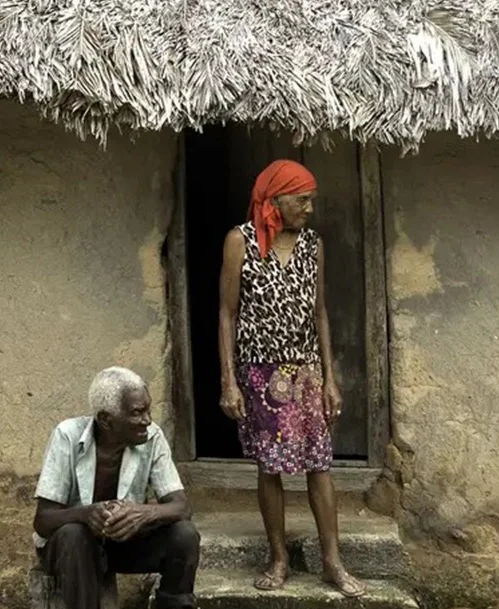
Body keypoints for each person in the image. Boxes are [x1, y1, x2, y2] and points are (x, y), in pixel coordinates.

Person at [217, 158, 365, 597]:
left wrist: (330, 377)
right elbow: (227, 313)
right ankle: (278, 558)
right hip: (260, 373)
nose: (309, 208)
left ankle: (332, 562)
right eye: (302, 199)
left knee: (320, 465)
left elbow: (320, 312)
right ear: (275, 199)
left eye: (311, 200)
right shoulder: (239, 241)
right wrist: (228, 380)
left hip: (305, 372)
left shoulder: (312, 244)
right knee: (270, 467)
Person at [32, 366, 201, 609]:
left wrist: (144, 513)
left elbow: (181, 507)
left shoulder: (152, 437)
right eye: (137, 413)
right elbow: (43, 520)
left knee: (184, 535)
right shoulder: (67, 435)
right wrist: (86, 514)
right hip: (71, 553)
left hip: (123, 545)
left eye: (148, 410)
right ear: (106, 420)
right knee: (74, 534)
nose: (147, 420)